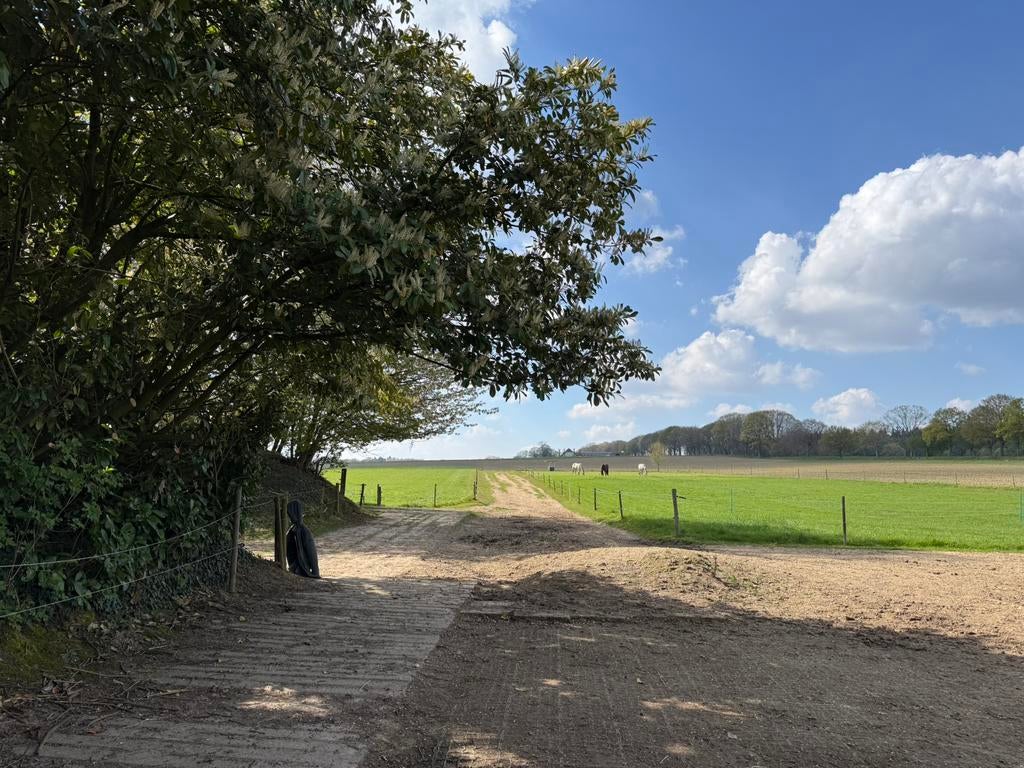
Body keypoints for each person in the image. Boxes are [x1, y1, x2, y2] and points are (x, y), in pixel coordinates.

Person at [285, 500, 320, 578]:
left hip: (301, 567)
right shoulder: (293, 530)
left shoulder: (303, 531)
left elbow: (311, 552)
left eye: (290, 514)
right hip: (294, 567)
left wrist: (315, 572)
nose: (290, 516)